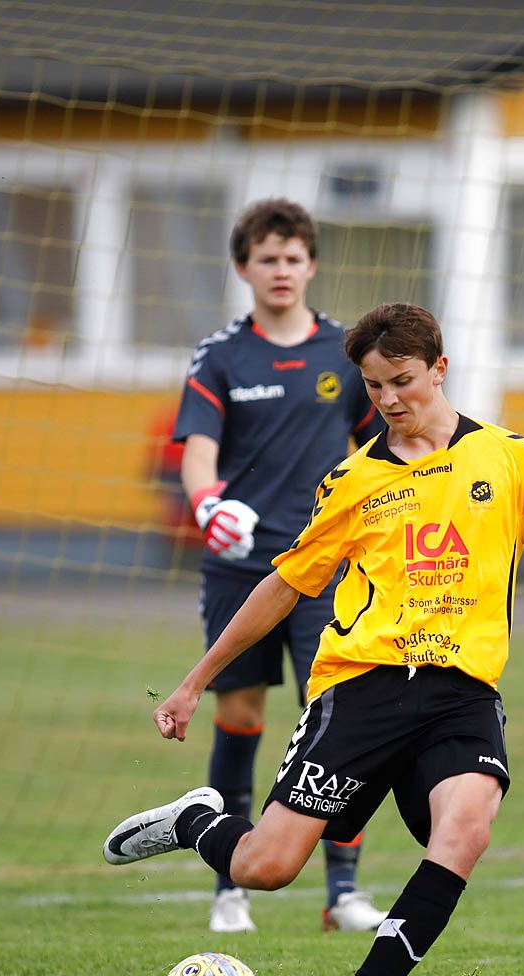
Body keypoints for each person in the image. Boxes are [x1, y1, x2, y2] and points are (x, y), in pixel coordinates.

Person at [105, 303, 524, 976]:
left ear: (440, 370)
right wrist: (195, 681)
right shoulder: (353, 481)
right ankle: (195, 819)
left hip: (461, 693)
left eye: (402, 381)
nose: (389, 400)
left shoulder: (510, 458)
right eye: (372, 387)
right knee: (267, 868)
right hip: (362, 689)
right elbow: (282, 585)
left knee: (466, 829)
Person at [169, 198, 390, 936]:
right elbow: (198, 454)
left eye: (294, 258)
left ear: (312, 265)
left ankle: (344, 892)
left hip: (330, 571)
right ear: (244, 268)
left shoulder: (344, 353)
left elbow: (378, 448)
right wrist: (207, 506)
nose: (282, 270)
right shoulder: (220, 356)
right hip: (241, 568)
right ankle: (227, 885)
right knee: (241, 715)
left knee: (341, 720)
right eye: (268, 258)